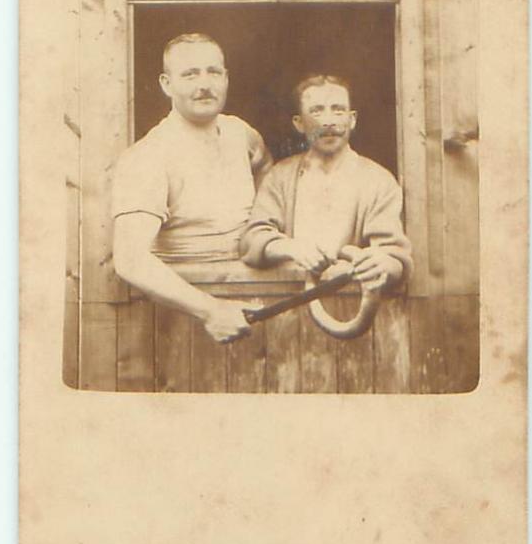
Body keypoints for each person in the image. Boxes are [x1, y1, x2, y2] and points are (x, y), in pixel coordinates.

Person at [112, 33, 272, 343]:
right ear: (166, 83)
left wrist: (265, 230)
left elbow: (266, 168)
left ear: (225, 78)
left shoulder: (240, 133)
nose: (204, 84)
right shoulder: (147, 157)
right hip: (184, 321)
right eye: (190, 74)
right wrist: (210, 310)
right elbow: (130, 259)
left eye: (213, 72)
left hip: (258, 299)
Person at [240, 74, 412, 288]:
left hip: (353, 306)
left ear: (352, 119)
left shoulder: (379, 181)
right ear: (299, 123)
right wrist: (290, 248)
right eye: (317, 110)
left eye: (338, 109)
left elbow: (394, 257)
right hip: (288, 302)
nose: (329, 121)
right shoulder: (280, 177)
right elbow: (252, 239)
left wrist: (384, 263)